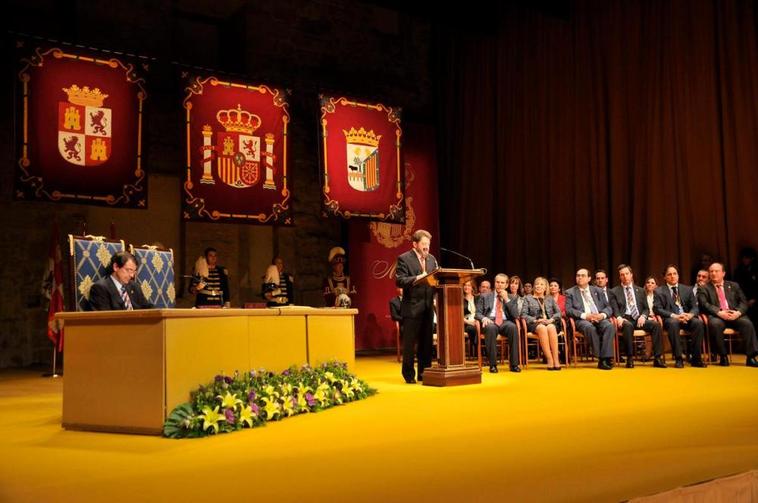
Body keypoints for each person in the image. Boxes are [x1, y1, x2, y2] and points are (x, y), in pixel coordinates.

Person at [396, 230, 438, 383]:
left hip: (428, 307)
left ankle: (424, 373)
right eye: (424, 244)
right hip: (412, 307)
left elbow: (436, 279)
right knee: (410, 344)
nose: (427, 247)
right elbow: (400, 280)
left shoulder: (432, 259)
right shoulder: (404, 258)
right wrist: (416, 278)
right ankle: (408, 375)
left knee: (426, 343)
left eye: (428, 244)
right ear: (415, 244)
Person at [697, 262, 758, 367]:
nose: (713, 273)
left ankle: (751, 357)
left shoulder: (734, 285)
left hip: (734, 314)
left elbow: (743, 302)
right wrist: (719, 312)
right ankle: (723, 356)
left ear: (723, 273)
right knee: (715, 325)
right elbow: (704, 304)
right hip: (717, 316)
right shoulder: (704, 288)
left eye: (716, 271)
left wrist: (738, 312)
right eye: (711, 271)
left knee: (747, 324)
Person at [610, 265, 665, 368]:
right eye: (622, 275)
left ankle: (658, 358)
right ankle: (630, 358)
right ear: (620, 277)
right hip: (625, 319)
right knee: (628, 326)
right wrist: (619, 318)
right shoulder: (614, 291)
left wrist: (644, 316)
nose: (625, 276)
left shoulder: (640, 290)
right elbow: (614, 308)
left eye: (627, 274)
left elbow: (646, 308)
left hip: (639, 319)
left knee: (656, 325)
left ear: (631, 275)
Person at [654, 264, 707, 368]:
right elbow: (657, 308)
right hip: (671, 319)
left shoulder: (687, 289)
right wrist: (674, 316)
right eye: (669, 274)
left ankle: (696, 358)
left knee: (698, 323)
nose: (673, 276)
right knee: (673, 324)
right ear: (664, 277)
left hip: (687, 317)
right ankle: (679, 358)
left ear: (678, 275)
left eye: (675, 274)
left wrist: (690, 315)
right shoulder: (659, 291)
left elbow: (695, 307)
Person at [565, 268, 616, 370]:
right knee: (590, 328)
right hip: (582, 320)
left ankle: (604, 358)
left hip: (598, 317)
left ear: (589, 278)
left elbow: (609, 307)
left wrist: (602, 315)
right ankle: (602, 358)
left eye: (583, 275)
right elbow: (568, 310)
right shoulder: (570, 292)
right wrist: (585, 315)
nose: (580, 277)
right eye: (578, 275)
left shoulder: (598, 290)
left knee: (609, 326)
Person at [475, 273, 521, 373]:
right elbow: (477, 313)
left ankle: (514, 364)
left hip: (505, 322)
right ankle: (493, 364)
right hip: (490, 320)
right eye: (497, 282)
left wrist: (507, 300)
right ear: (494, 283)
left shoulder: (511, 297)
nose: (499, 284)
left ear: (506, 285)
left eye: (502, 283)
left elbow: (516, 315)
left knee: (513, 327)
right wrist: (483, 318)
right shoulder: (485, 296)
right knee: (491, 328)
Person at [522, 277, 563, 370]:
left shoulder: (550, 298)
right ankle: (549, 359)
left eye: (541, 284)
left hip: (550, 322)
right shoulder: (528, 298)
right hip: (535, 323)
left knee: (551, 327)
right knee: (542, 328)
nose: (538, 286)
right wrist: (536, 320)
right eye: (537, 284)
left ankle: (556, 359)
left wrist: (551, 319)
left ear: (545, 288)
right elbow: (523, 314)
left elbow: (559, 313)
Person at [89, 251, 154, 311]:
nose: (132, 275)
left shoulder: (135, 286)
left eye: (134, 272)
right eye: (129, 270)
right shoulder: (100, 288)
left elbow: (147, 308)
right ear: (116, 267)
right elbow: (104, 319)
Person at [733, 247, 758, 327]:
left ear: (752, 258)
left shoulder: (756, 269)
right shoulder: (738, 271)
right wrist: (744, 301)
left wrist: (754, 299)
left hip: (755, 300)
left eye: (747, 258)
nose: (744, 260)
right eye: (743, 258)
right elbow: (736, 287)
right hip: (742, 300)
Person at [462, 279, 478, 356]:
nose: (466, 287)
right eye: (465, 285)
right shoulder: (460, 299)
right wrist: (469, 322)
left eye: (468, 285)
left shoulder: (478, 298)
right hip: (465, 323)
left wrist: (477, 321)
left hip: (477, 321)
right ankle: (477, 349)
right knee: (471, 328)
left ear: (472, 287)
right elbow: (458, 315)